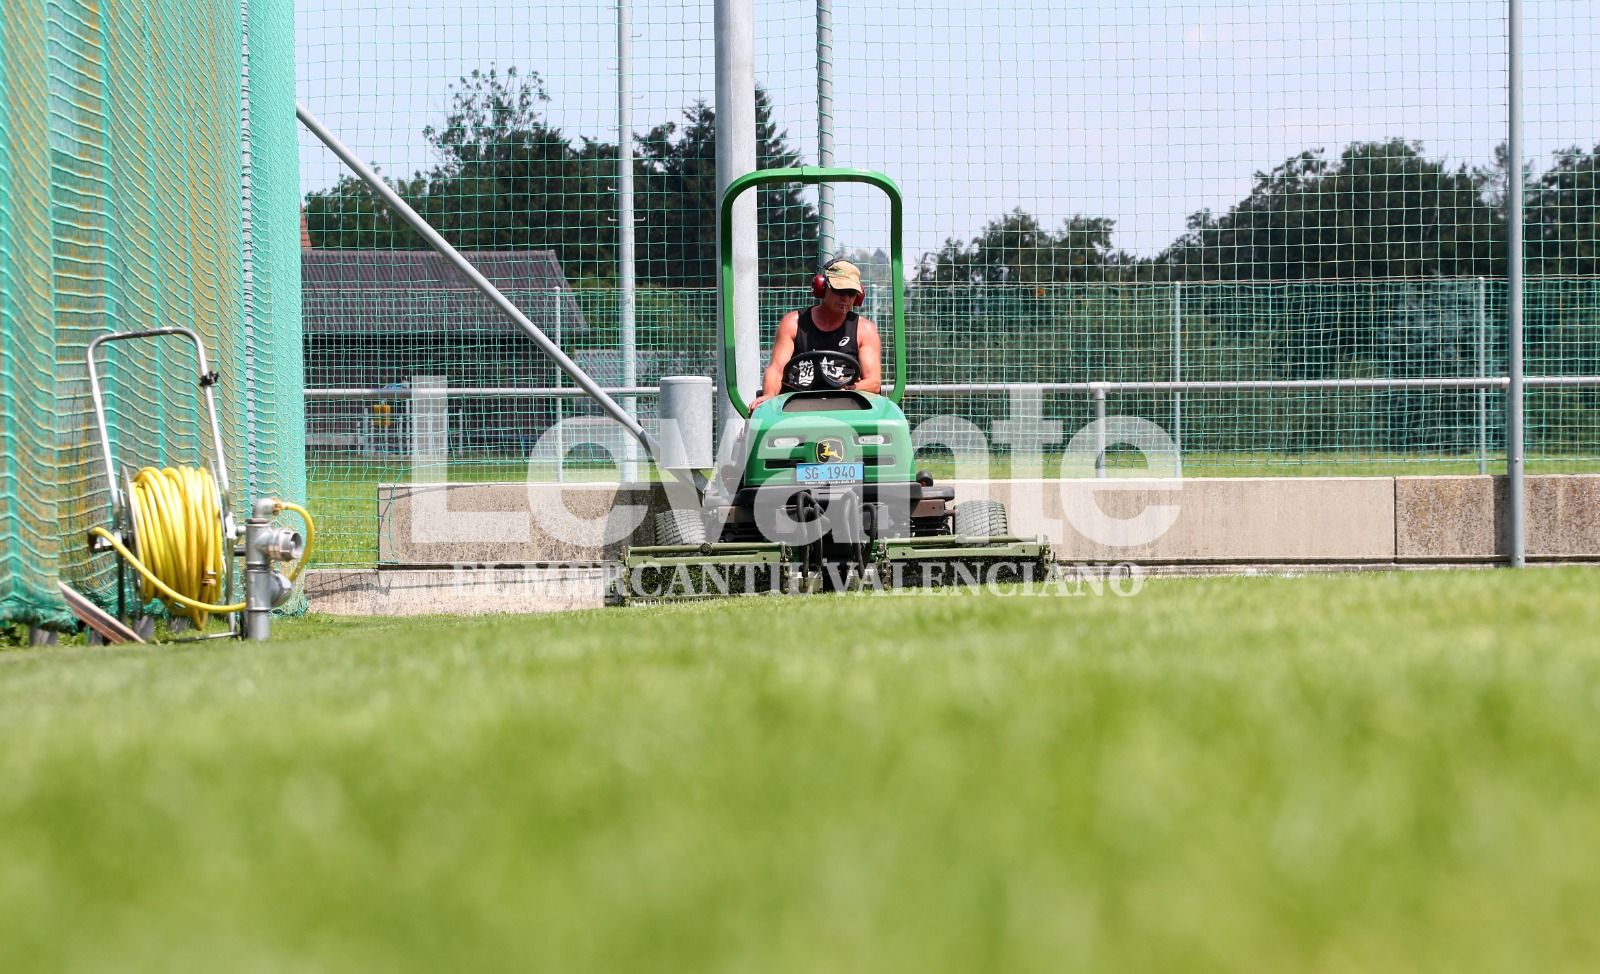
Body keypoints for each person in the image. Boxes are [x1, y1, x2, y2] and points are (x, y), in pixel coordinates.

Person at [749, 258, 883, 409]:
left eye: (851, 293)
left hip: (846, 406)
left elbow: (873, 382)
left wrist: (844, 390)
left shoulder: (865, 330)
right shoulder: (793, 323)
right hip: (796, 406)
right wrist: (769, 395)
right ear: (822, 288)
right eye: (839, 290)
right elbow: (776, 369)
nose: (845, 298)